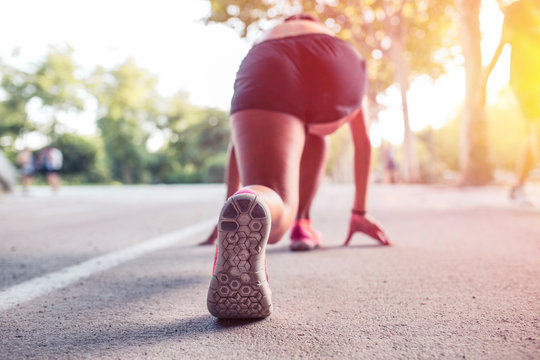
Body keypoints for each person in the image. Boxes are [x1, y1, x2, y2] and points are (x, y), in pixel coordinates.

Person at [207, 13, 391, 320]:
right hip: (335, 63)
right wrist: (359, 212)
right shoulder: (329, 37)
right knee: (315, 135)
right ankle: (297, 221)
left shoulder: (271, 35)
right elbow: (364, 141)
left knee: (273, 196)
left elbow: (237, 146)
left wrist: (228, 206)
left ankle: (261, 201)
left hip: (269, 63)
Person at [482, 0, 540, 204]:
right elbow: (502, 43)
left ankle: (518, 185)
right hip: (525, 80)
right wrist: (485, 80)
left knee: (531, 136)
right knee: (536, 128)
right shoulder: (517, 9)